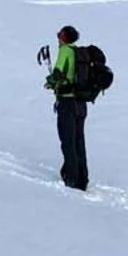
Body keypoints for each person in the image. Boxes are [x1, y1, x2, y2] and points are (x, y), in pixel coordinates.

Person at [44, 25, 88, 191]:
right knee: (79, 140)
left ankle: (71, 178)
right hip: (81, 103)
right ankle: (83, 179)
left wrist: (50, 82)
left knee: (67, 140)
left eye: (59, 36)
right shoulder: (79, 53)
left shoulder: (65, 51)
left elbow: (58, 73)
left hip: (67, 102)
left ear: (63, 37)